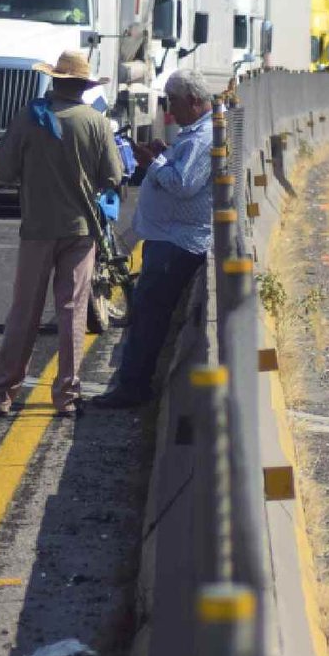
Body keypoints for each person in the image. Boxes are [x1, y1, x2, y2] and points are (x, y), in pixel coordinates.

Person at [0, 50, 122, 417]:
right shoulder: (96, 122)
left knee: (24, 312)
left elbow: (3, 171)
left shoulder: (30, 118)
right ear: (85, 87)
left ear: (55, 81)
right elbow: (113, 177)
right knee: (72, 312)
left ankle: (1, 394)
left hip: (38, 230)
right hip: (81, 231)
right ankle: (68, 397)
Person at [93, 70, 215, 409]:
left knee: (148, 314)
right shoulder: (195, 133)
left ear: (192, 100)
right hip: (169, 237)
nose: (170, 111)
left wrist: (154, 160)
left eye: (173, 102)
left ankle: (134, 387)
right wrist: (164, 154)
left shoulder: (202, 138)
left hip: (177, 242)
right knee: (146, 311)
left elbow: (182, 184)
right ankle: (134, 382)